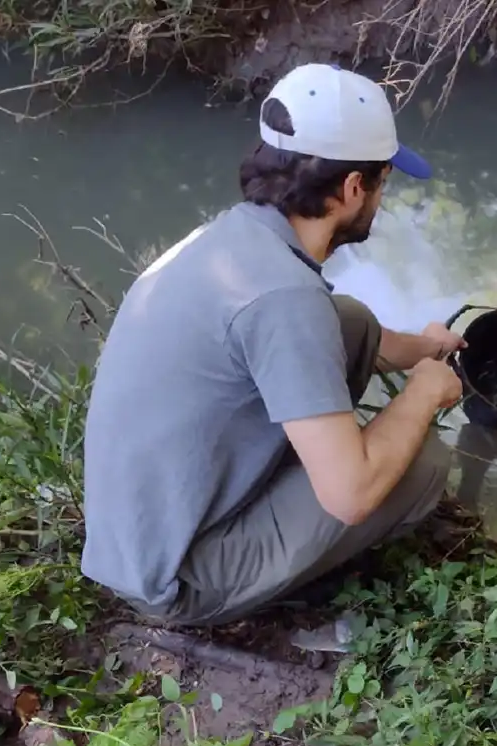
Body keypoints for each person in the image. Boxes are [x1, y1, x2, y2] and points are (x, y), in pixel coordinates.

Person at [80, 63, 466, 628]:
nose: (382, 198)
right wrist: (424, 394)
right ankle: (293, 579)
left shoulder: (231, 241)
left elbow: (321, 329)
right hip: (178, 577)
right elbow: (352, 494)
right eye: (383, 181)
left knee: (350, 322)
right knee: (422, 464)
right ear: (354, 187)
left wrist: (422, 349)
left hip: (137, 534)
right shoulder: (284, 299)